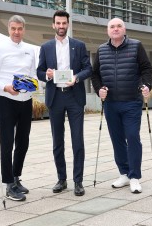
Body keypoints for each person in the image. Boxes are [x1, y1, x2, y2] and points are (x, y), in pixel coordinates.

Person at [91, 17, 152, 194]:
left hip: (132, 102)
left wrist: (146, 85)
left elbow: (146, 68)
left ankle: (135, 177)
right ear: (107, 30)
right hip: (111, 104)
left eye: (119, 26)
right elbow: (95, 75)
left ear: (124, 29)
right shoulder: (101, 50)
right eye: (112, 26)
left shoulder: (136, 46)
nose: (115, 29)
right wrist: (99, 89)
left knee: (132, 137)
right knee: (117, 140)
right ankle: (124, 173)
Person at [37, 10, 92, 196]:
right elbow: (39, 71)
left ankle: (78, 181)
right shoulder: (45, 47)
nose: (61, 26)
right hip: (55, 97)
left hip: (74, 96)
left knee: (78, 140)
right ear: (53, 25)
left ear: (68, 24)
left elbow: (88, 69)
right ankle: (62, 179)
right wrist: (47, 74)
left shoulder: (79, 45)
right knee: (57, 141)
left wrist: (76, 77)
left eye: (64, 23)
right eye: (58, 23)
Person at [0, 15, 37, 202]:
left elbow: (32, 75)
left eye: (20, 29)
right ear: (9, 29)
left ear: (24, 30)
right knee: (7, 143)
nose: (16, 32)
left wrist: (33, 84)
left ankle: (16, 177)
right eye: (13, 28)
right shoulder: (0, 49)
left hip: (26, 100)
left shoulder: (30, 50)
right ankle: (8, 184)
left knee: (23, 142)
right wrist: (5, 87)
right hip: (7, 99)